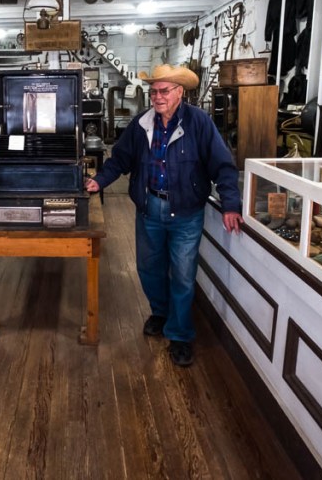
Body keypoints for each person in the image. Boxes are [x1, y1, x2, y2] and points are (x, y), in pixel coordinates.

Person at [85, 64, 242, 367]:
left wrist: (231, 203)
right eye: (154, 91)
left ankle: (180, 335)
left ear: (180, 92)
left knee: (183, 276)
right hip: (149, 208)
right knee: (148, 269)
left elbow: (222, 165)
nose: (157, 96)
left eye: (164, 90)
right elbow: (120, 159)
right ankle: (160, 312)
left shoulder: (199, 123)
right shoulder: (141, 124)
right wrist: (99, 180)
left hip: (186, 211)